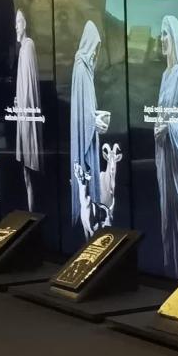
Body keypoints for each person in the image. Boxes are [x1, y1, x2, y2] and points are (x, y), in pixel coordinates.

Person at [154, 15, 178, 275]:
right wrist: (159, 127)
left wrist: (168, 127)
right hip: (163, 155)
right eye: (161, 33)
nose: (162, 39)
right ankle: (169, 271)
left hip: (174, 157)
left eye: (166, 33)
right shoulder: (165, 74)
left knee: (176, 221)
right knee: (166, 219)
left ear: (175, 38)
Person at [68, 20, 110, 239]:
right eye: (95, 49)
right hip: (87, 140)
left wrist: (94, 119)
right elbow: (83, 115)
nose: (96, 55)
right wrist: (94, 122)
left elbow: (84, 110)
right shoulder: (82, 69)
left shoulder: (84, 68)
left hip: (89, 136)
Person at [12, 9, 42, 212]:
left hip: (28, 115)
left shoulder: (29, 46)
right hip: (22, 113)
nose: (16, 26)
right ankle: (30, 211)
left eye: (20, 21)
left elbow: (31, 85)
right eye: (15, 22)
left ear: (26, 24)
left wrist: (26, 108)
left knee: (30, 169)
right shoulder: (22, 49)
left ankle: (34, 212)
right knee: (25, 171)